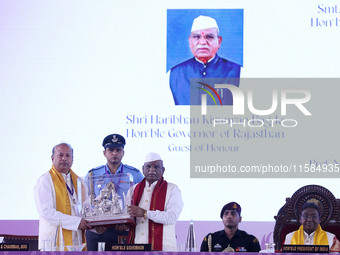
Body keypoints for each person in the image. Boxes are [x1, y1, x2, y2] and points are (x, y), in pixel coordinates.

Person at [85, 134, 144, 251]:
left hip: (125, 230)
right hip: (98, 231)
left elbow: (142, 201)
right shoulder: (93, 174)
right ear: (104, 153)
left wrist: (129, 221)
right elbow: (86, 202)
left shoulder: (135, 174)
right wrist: (94, 223)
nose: (114, 153)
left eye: (118, 150)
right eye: (110, 150)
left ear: (123, 152)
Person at [169, 15, 241, 105]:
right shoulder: (174, 74)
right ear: (190, 41)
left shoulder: (238, 72)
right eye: (196, 37)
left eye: (209, 37)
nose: (202, 42)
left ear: (219, 41)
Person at [34, 143, 92, 251]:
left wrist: (96, 226)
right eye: (60, 155)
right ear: (52, 158)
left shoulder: (80, 182)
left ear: (72, 159)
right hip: (53, 245)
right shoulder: (45, 180)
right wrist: (76, 222)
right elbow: (46, 212)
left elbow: (86, 212)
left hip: (76, 243)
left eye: (67, 155)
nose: (64, 158)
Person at [127, 152, 184, 251]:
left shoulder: (172, 189)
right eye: (148, 166)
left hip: (164, 249)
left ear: (163, 170)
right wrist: (123, 224)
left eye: (156, 167)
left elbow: (171, 217)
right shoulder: (133, 190)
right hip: (137, 247)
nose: (152, 169)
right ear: (143, 169)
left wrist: (145, 213)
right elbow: (128, 217)